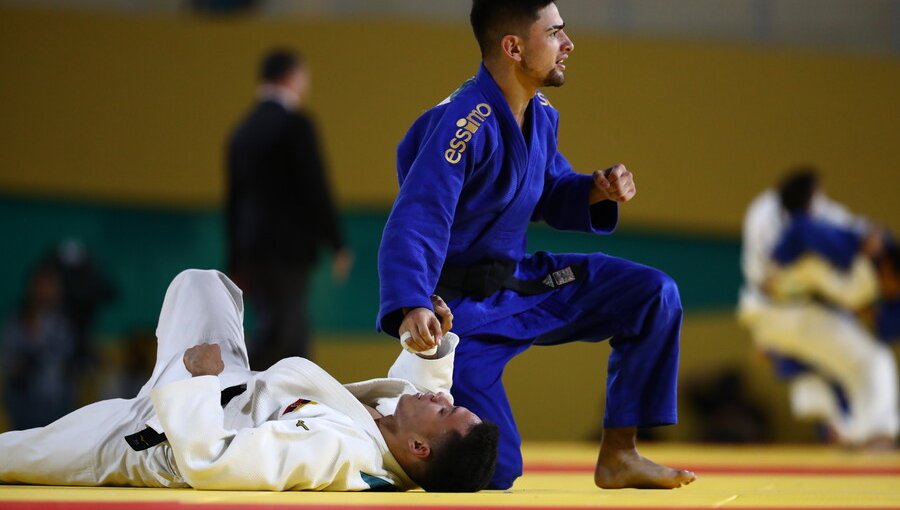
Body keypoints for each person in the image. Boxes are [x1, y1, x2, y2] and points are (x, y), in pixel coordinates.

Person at [377, 0, 696, 490]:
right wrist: (411, 302)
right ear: (513, 47)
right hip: (463, 318)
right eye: (555, 34)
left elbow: (550, 188)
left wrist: (596, 189)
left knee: (652, 293)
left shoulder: (539, 115)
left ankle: (620, 454)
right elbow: (419, 215)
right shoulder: (464, 123)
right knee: (494, 469)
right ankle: (381, 440)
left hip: (523, 282)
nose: (568, 45)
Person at [0, 270, 499, 492]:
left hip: (157, 439)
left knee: (14, 456)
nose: (440, 396)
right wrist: (428, 349)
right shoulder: (403, 434)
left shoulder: (337, 454)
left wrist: (197, 382)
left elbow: (211, 465)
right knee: (202, 283)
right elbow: (422, 390)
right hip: (232, 380)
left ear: (419, 448)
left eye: (444, 409)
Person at [738, 168, 899, 448]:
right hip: (787, 310)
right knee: (872, 362)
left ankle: (844, 427)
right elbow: (774, 273)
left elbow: (852, 231)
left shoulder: (813, 224)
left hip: (778, 313)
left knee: (822, 367)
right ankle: (875, 433)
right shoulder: (780, 220)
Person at [226, 48, 351, 369]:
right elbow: (315, 187)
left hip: (251, 252)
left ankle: (298, 406)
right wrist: (337, 241)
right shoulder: (296, 124)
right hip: (288, 251)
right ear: (291, 77)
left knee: (292, 335)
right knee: (282, 334)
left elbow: (233, 203)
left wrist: (235, 261)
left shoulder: (241, 132)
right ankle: (229, 386)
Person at [2, 261, 77, 430]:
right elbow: (9, 361)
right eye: (42, 285)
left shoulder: (63, 321)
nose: (46, 291)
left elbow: (66, 357)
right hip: (24, 400)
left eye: (51, 286)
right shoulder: (18, 319)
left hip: (56, 402)